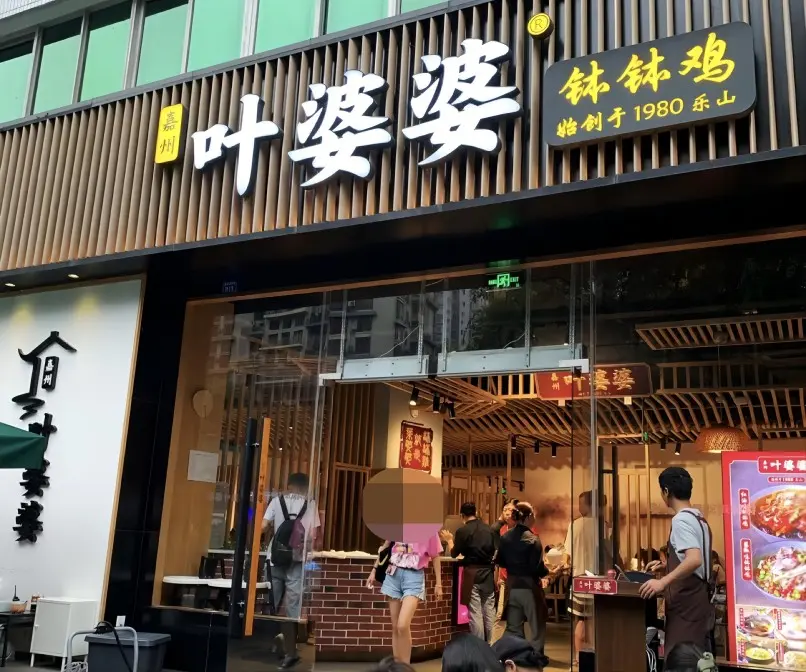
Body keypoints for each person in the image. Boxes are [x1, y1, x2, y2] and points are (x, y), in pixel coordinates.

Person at [640, 467, 714, 656]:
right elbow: (700, 558)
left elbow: (695, 560)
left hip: (686, 605)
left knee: (681, 661)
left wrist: (662, 581)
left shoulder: (681, 520)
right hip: (698, 602)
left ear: (666, 491)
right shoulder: (698, 517)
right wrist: (668, 563)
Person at [262, 472, 321, 670]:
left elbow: (262, 526)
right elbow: (313, 535)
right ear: (305, 488)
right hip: (296, 560)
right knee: (292, 607)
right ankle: (290, 649)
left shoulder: (276, 501)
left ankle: (276, 638)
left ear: (288, 485)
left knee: (273, 602)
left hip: (275, 558)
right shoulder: (310, 505)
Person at [366, 534, 444, 664]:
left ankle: (405, 666)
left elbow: (435, 556)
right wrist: (374, 571)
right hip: (393, 574)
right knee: (396, 626)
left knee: (403, 625)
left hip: (414, 576)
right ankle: (397, 666)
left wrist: (438, 584)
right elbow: (385, 547)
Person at [495, 502, 549, 668]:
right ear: (528, 517)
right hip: (529, 587)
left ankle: (513, 657)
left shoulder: (505, 537)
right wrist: (548, 572)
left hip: (512, 585)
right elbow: (536, 567)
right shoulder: (533, 539)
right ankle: (535, 658)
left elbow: (500, 561)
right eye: (533, 516)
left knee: (513, 626)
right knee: (536, 625)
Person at [440, 502, 497, 642]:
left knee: (476, 613)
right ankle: (493, 645)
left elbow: (454, 554)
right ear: (476, 512)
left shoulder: (462, 531)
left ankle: (479, 648)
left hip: (472, 574)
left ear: (462, 515)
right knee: (490, 611)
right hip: (488, 574)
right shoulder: (489, 529)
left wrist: (449, 540)